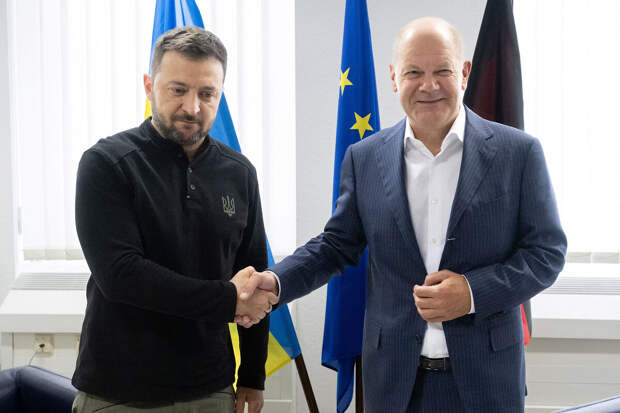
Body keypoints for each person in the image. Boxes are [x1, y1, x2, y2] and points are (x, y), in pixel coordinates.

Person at [239, 17, 566, 412]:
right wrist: (276, 282)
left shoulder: (519, 153)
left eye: (442, 70)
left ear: (464, 73)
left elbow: (546, 254)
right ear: (394, 78)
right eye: (414, 72)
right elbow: (335, 246)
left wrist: (471, 293)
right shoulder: (364, 158)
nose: (428, 85)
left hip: (488, 381)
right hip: (394, 384)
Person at [72, 26, 277, 413]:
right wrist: (227, 298)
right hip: (117, 390)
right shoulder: (106, 164)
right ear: (149, 86)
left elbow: (255, 276)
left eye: (207, 93)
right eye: (178, 90)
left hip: (212, 388)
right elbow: (121, 275)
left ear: (220, 94)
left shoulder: (240, 173)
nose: (192, 107)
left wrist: (252, 375)